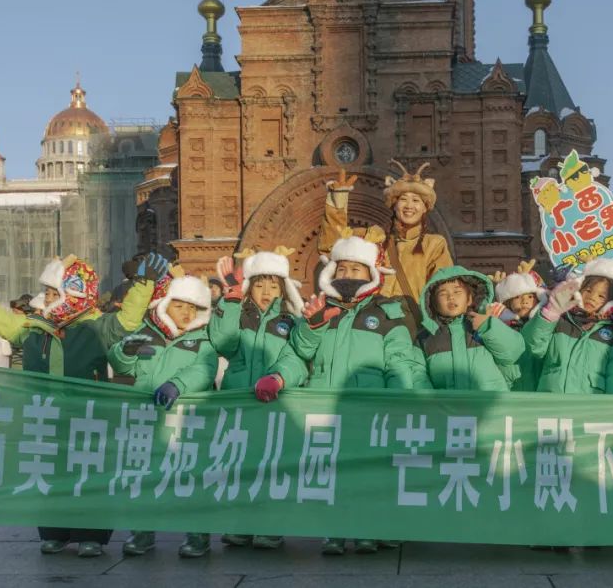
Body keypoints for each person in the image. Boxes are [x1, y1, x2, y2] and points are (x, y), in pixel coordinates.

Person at [0, 252, 167, 558]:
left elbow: (128, 319)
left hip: (89, 418)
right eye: (46, 293)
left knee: (88, 476)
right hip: (45, 417)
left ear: (72, 292)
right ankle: (55, 533)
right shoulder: (33, 329)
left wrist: (143, 283)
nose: (44, 299)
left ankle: (92, 536)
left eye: (50, 292)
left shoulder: (97, 327)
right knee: (49, 476)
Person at [265, 226, 430, 556]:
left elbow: (400, 360)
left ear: (370, 273)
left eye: (355, 268)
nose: (347, 274)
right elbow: (298, 355)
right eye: (341, 268)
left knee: (370, 472)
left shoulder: (388, 312)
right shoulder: (319, 311)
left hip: (370, 409)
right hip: (323, 408)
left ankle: (369, 528)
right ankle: (335, 531)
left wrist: (400, 398)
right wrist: (279, 377)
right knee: (332, 473)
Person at [110, 273, 220, 559]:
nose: (186, 313)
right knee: (143, 477)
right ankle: (142, 534)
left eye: (192, 308)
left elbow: (205, 370)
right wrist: (124, 350)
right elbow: (123, 366)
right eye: (179, 305)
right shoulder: (147, 333)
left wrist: (178, 385)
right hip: (147, 420)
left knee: (191, 478)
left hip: (187, 424)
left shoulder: (203, 341)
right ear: (166, 305)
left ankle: (198, 536)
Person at [211, 247, 309, 550]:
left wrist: (279, 376)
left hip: (274, 404)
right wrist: (229, 300)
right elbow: (222, 344)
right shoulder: (236, 313)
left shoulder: (291, 320)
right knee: (239, 464)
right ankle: (240, 524)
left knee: (271, 466)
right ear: (249, 285)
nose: (266, 291)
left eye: (273, 284)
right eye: (260, 283)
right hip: (237, 403)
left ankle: (270, 525)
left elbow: (298, 359)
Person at [320, 162, 453, 327]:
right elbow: (332, 248)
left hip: (412, 326)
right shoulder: (373, 238)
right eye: (403, 199)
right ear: (394, 205)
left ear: (425, 208)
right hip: (371, 322)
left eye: (416, 200)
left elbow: (443, 287)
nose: (409, 206)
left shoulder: (434, 244)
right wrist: (337, 202)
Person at [523, 259, 613, 395]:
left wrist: (612, 411)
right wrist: (549, 314)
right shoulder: (560, 320)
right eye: (588, 290)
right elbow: (533, 347)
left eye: (601, 296)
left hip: (589, 411)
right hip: (551, 404)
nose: (592, 297)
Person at [417, 266, 523, 391]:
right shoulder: (426, 337)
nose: (451, 297)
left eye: (457, 292)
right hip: (448, 408)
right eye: (443, 293)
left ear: (469, 299)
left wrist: (488, 327)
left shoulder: (486, 323)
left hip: (489, 406)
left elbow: (513, 353)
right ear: (434, 304)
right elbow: (418, 375)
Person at [490, 260, 547, 391]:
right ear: (508, 302)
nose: (524, 301)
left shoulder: (545, 324)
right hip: (509, 387)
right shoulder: (501, 325)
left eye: (530, 296)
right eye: (517, 297)